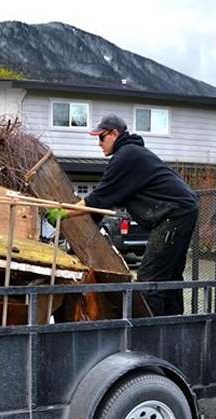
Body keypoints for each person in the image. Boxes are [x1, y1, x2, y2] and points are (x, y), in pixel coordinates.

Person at [45, 113, 198, 316]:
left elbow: (97, 199)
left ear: (114, 133)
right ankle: (173, 328)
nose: (99, 144)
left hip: (174, 215)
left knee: (149, 280)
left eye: (101, 137)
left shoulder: (126, 156)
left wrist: (63, 213)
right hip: (182, 210)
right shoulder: (132, 154)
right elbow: (106, 201)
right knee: (169, 277)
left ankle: (149, 336)